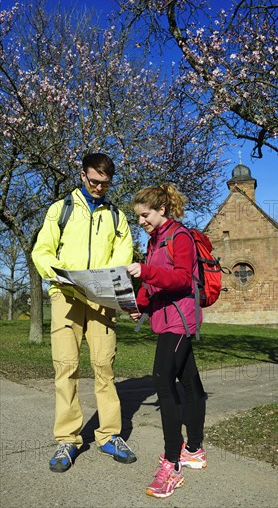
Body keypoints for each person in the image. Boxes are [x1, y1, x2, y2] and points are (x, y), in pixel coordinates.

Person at [32, 152, 136, 472]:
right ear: (82, 175)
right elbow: (42, 251)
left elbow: (123, 256)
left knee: (104, 366)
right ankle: (68, 438)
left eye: (105, 183)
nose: (99, 187)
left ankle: (108, 435)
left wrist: (115, 288)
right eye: (94, 181)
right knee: (66, 367)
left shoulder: (117, 217)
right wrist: (58, 273)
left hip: (101, 298)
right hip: (65, 295)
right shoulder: (59, 210)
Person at [127, 184, 207, 499]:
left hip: (180, 320)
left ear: (161, 209)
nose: (142, 221)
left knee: (163, 380)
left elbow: (182, 279)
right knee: (190, 382)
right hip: (164, 319)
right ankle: (195, 450)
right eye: (138, 217)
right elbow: (153, 282)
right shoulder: (154, 241)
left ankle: (172, 463)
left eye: (145, 215)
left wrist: (145, 271)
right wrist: (140, 305)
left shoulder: (181, 236)